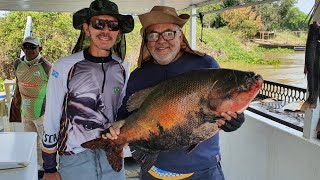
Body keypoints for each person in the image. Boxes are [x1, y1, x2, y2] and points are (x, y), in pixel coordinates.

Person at [105, 6, 245, 180]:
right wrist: (119, 129)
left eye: (169, 33)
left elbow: (226, 104)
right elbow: (126, 116)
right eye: (153, 35)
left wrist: (236, 120)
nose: (161, 40)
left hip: (203, 172)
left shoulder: (206, 65)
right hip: (152, 172)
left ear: (180, 35)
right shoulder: (138, 76)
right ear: (146, 41)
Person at [41, 0, 134, 180]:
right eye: (98, 24)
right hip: (75, 157)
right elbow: (51, 116)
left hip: (112, 154)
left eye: (112, 25)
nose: (105, 31)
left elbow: (124, 111)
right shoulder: (64, 66)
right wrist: (49, 167)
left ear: (118, 32)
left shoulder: (122, 66)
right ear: (86, 28)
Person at [9, 35, 51, 179]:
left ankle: (50, 168)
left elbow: (56, 90)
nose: (29, 50)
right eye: (25, 47)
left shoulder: (46, 66)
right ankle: (37, 167)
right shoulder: (17, 64)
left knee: (46, 142)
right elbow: (17, 86)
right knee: (30, 141)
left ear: (40, 48)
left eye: (32, 47)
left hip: (43, 112)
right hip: (25, 112)